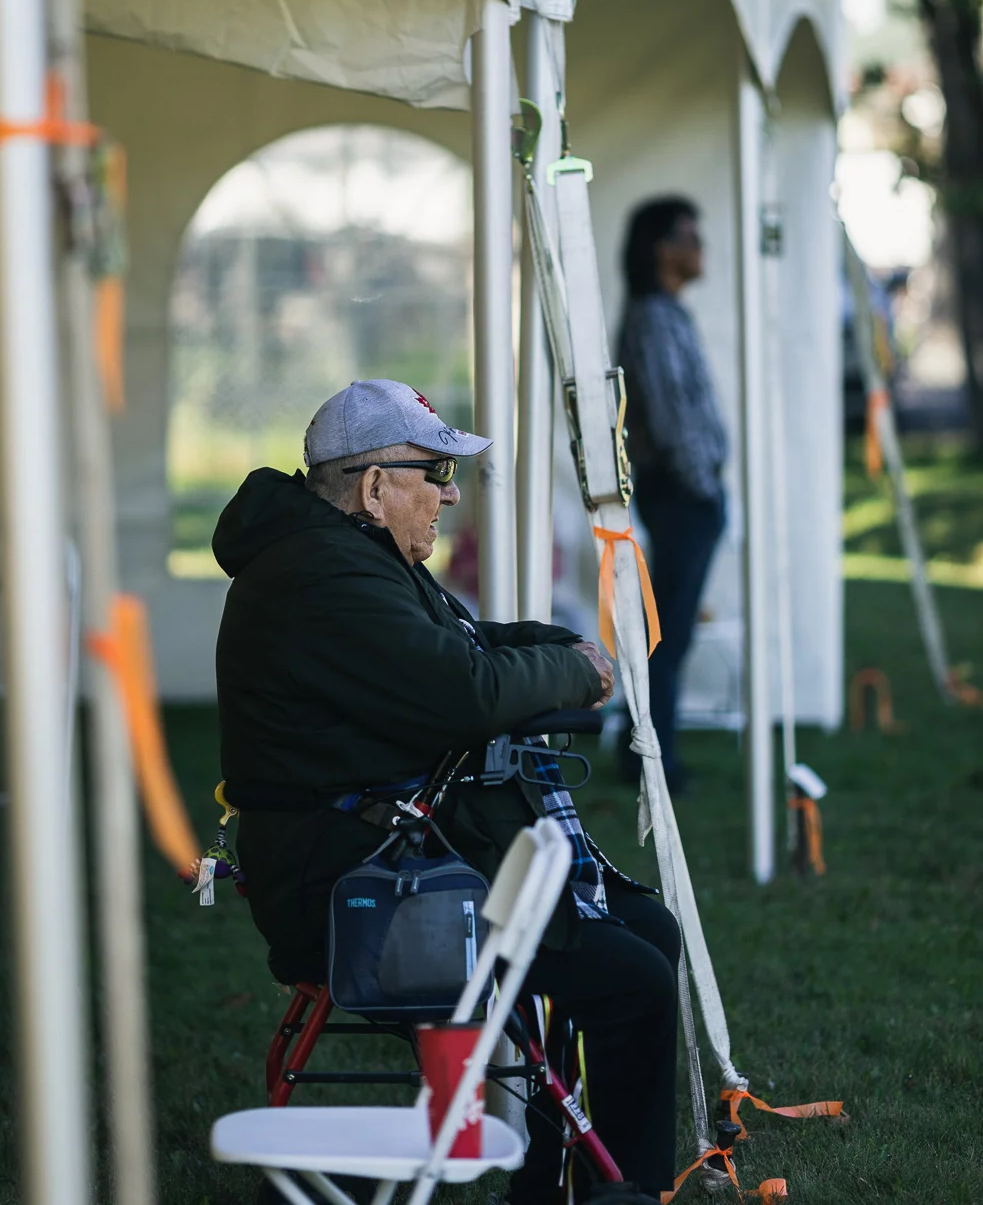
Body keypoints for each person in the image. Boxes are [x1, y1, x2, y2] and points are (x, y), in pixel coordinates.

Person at [214, 378, 681, 1203]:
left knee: (648, 929)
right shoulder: (325, 576)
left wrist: (559, 647)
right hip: (354, 888)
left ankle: (556, 1180)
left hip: (390, 861)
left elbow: (463, 643)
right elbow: (461, 689)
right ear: (372, 486)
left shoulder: (344, 554)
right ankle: (605, 1190)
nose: (449, 493)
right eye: (432, 473)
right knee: (634, 978)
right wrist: (569, 669)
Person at [616, 197, 728, 795]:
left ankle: (650, 754)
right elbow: (666, 411)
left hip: (687, 493)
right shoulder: (654, 318)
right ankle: (651, 759)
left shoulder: (666, 313)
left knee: (672, 627)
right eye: (691, 234)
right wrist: (702, 484)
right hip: (684, 495)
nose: (701, 245)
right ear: (664, 247)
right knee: (670, 631)